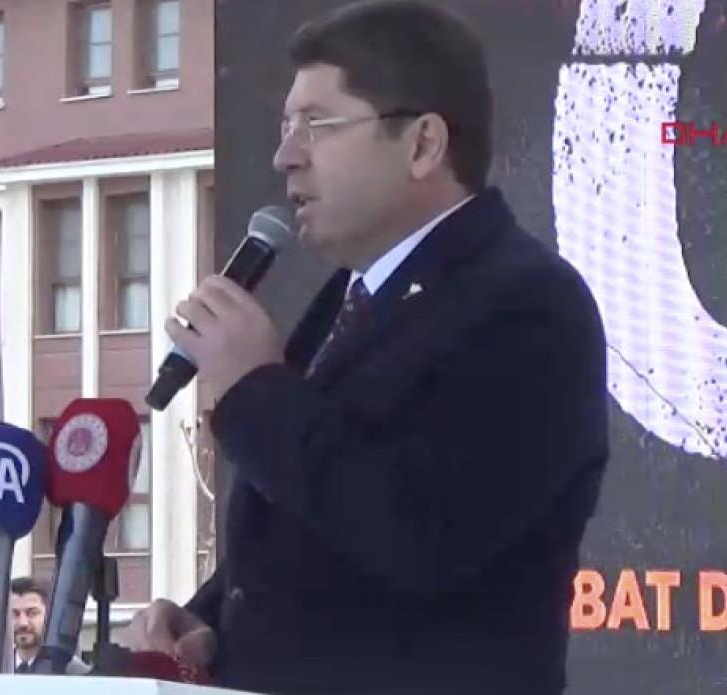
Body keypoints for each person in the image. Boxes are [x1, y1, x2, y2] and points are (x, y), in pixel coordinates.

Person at [119, 1, 608, 693]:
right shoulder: (355, 293)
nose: (285, 155)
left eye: (316, 125)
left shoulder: (527, 305)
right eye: (286, 127)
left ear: (422, 144)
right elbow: (316, 528)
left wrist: (255, 390)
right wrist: (208, 619)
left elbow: (423, 534)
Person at [8, 576, 89, 675]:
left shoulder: (71, 671)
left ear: (49, 614)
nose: (23, 623)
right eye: (14, 614)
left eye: (32, 613)